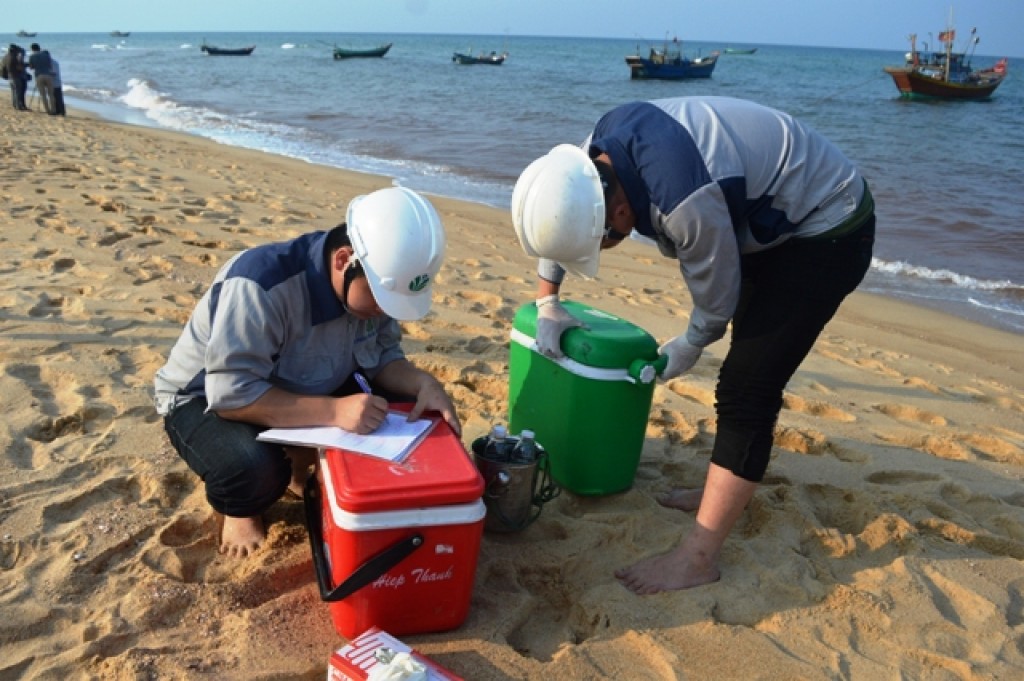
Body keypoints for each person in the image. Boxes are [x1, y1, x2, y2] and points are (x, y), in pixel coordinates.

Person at [511, 96, 875, 594]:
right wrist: (548, 300)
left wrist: (692, 342)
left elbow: (716, 299)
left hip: (827, 226)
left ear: (619, 211)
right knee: (749, 368)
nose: (597, 250)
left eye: (599, 242)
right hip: (763, 216)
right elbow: (557, 215)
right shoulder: (587, 161)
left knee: (748, 386)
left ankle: (698, 558)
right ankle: (720, 488)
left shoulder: (684, 203)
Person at [154, 187, 460, 558]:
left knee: (412, 405)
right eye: (381, 298)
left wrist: (425, 384)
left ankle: (302, 466)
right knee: (252, 472)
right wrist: (334, 412)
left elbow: (382, 358)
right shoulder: (260, 284)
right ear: (344, 260)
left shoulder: (373, 288)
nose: (385, 310)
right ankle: (239, 508)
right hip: (207, 397)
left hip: (305, 378)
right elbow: (232, 394)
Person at [26, 43, 55, 114]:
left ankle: (47, 110)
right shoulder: (46, 55)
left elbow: (31, 67)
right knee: (51, 94)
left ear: (32, 49)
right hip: (48, 75)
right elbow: (50, 65)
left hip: (39, 76)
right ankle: (53, 110)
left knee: (43, 94)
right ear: (39, 48)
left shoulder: (31, 56)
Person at [2, 44, 29, 111]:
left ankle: (15, 105)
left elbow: (3, 67)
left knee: (14, 91)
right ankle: (18, 106)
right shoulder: (13, 57)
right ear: (14, 50)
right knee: (18, 91)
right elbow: (19, 67)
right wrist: (27, 65)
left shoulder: (5, 57)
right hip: (16, 76)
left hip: (10, 76)